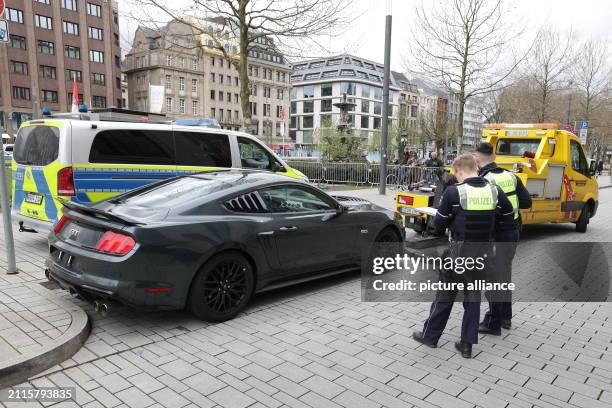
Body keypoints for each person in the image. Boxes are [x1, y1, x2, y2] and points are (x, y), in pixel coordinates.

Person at [412, 154, 514, 358]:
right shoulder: (494, 190)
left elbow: (438, 225)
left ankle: (430, 336)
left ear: (460, 170)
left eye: (455, 173)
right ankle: (467, 345)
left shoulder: (453, 192)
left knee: (444, 296)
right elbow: (508, 215)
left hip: (458, 252)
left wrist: (451, 221)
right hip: (482, 254)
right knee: (473, 297)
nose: (455, 177)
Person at [474, 142, 532, 334]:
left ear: (477, 160)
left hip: (495, 236)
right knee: (504, 274)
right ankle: (505, 317)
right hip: (512, 232)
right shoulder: (511, 176)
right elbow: (526, 202)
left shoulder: (484, 180)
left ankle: (493, 322)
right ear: (494, 157)